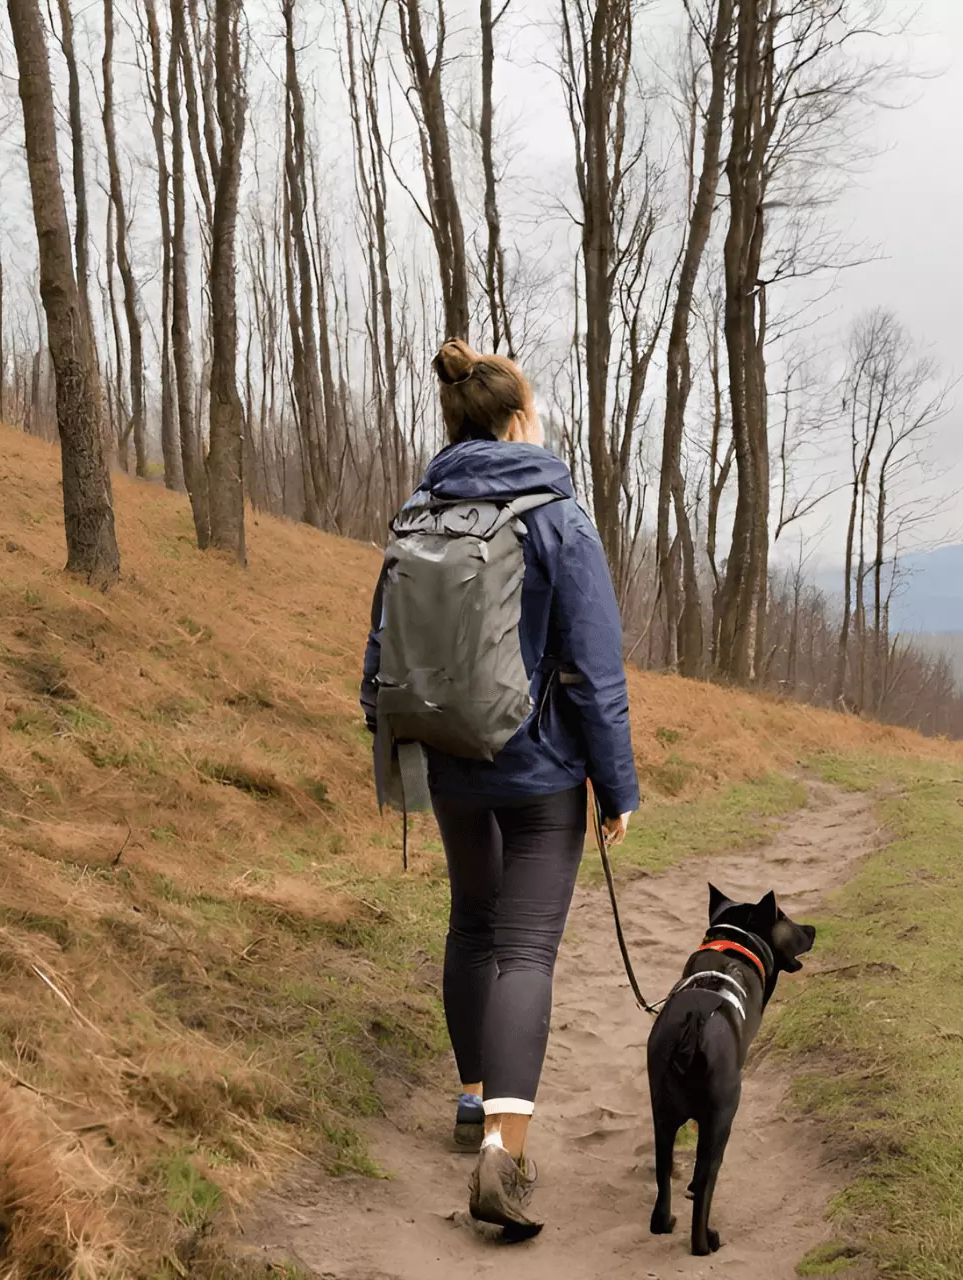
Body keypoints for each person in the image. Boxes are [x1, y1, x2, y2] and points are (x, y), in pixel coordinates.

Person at [361, 338, 639, 1240]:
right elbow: (596, 669)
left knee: (470, 924)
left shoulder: (418, 509)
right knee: (525, 949)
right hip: (540, 772)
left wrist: (391, 739)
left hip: (447, 757)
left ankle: (473, 1096)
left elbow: (383, 646)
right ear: (518, 418)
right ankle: (502, 1157)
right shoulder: (557, 513)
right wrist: (617, 782)